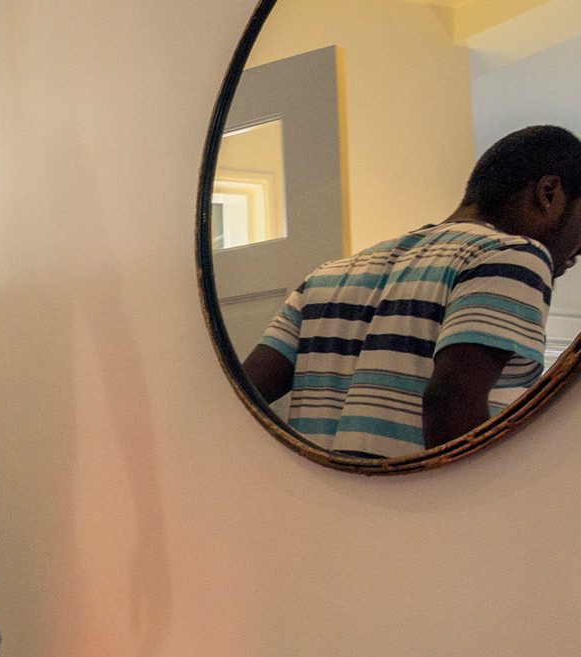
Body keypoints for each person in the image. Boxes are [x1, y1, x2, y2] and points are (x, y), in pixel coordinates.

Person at [242, 125, 581, 457]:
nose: (576, 255)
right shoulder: (515, 257)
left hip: (320, 509)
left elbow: (239, 397)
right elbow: (451, 402)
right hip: (423, 511)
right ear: (548, 192)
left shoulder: (327, 276)